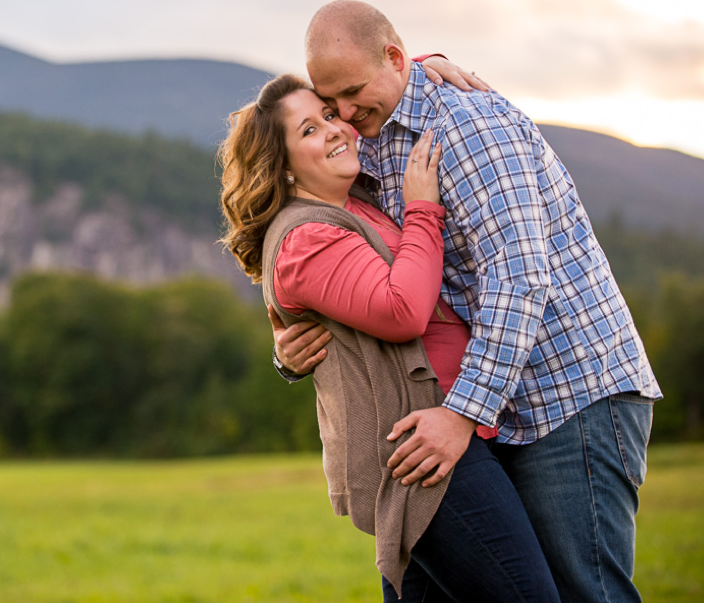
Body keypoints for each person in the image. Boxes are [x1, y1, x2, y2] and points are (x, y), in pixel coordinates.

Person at [273, 0, 661, 602]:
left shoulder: (468, 127)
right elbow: (350, 271)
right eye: (331, 103)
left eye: (352, 94)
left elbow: (518, 277)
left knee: (586, 595)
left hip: (565, 393)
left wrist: (462, 414)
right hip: (496, 409)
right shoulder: (369, 134)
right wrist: (289, 348)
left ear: (396, 59)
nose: (345, 115)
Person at [218, 73, 559, 602]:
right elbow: (402, 311)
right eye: (309, 129)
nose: (335, 130)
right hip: (422, 451)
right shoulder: (306, 236)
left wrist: (417, 65)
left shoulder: (353, 206)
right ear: (283, 168)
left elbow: (366, 71)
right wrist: (424, 207)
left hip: (444, 433)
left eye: (331, 116)